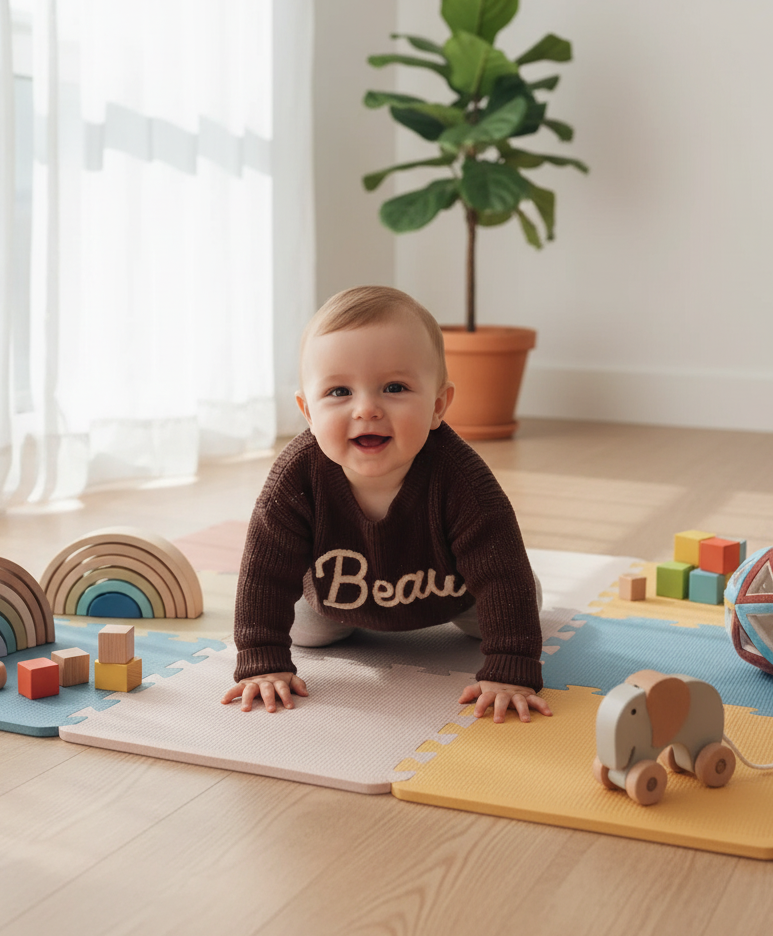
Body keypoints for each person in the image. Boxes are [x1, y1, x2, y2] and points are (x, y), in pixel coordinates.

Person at [221, 286, 550, 724]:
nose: (366, 409)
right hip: (335, 599)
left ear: (437, 407)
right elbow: (264, 570)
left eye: (394, 387)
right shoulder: (295, 478)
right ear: (307, 412)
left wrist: (511, 667)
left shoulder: (463, 480)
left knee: (519, 595)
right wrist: (262, 658)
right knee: (304, 630)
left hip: (452, 597)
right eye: (339, 392)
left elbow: (500, 571)